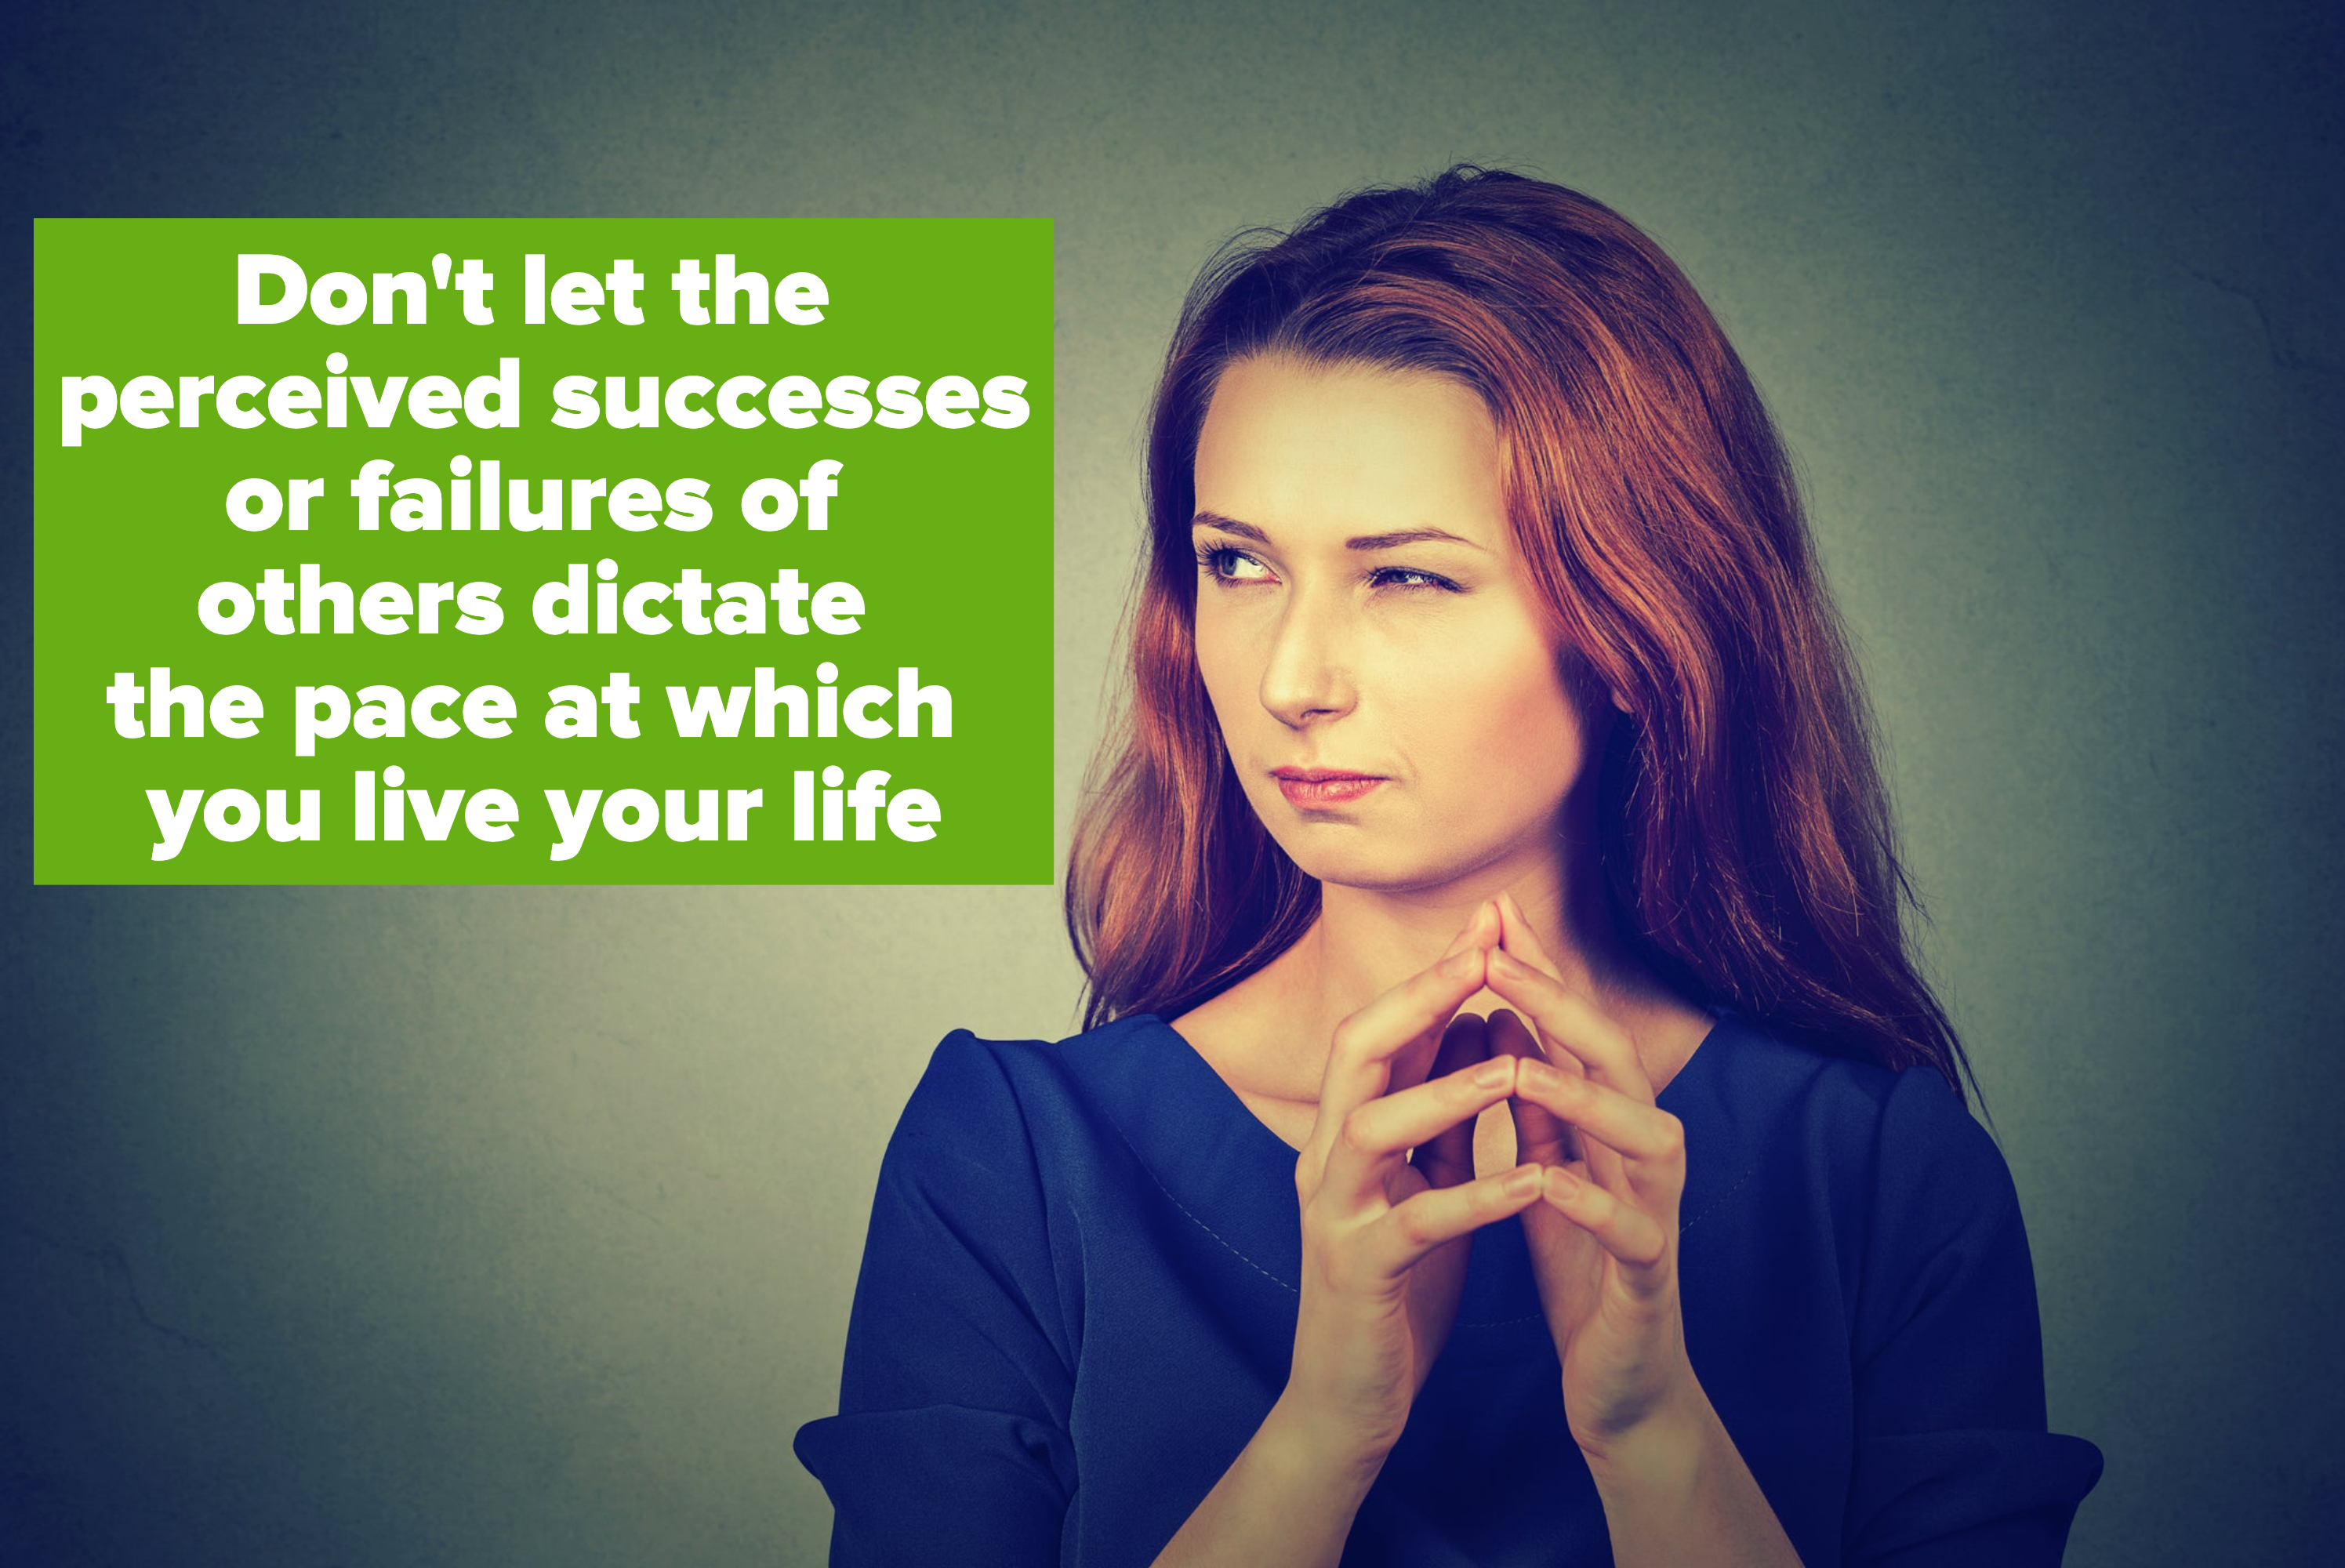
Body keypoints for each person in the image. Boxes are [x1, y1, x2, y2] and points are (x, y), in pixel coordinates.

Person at [793, 165, 2104, 1566]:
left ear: (1642, 622)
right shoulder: (1015, 1155)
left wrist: (1654, 1435)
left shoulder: (1884, 1179)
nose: (1292, 678)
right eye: (1236, 564)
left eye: (1406, 576)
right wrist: (1318, 1437)